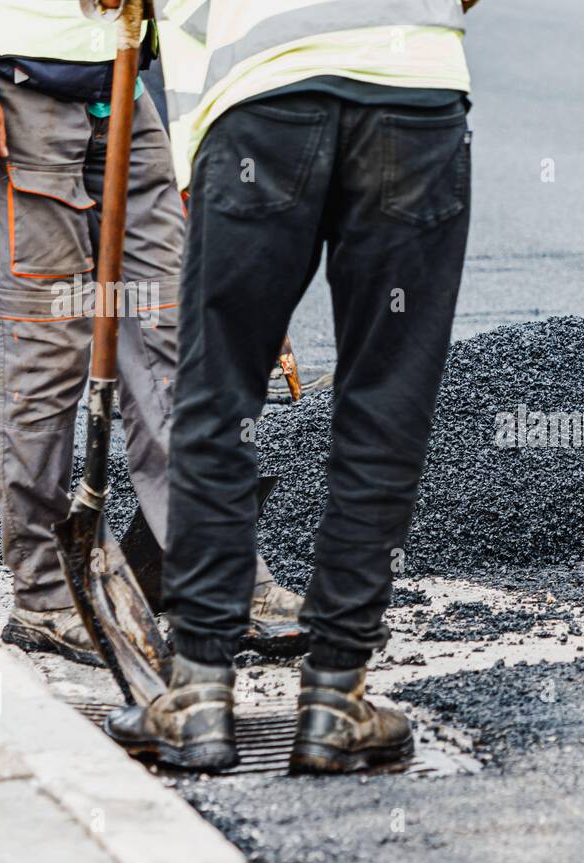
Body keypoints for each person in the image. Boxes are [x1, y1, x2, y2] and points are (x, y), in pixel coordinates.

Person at [104, 0, 477, 773]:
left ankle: (200, 695)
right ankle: (337, 699)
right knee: (386, 400)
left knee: (216, 394)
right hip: (412, 93)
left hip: (263, 98)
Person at [0, 0, 304, 665]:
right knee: (46, 346)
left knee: (174, 335)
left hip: (119, 78)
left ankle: (215, 574)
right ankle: (47, 592)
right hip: (10, 83)